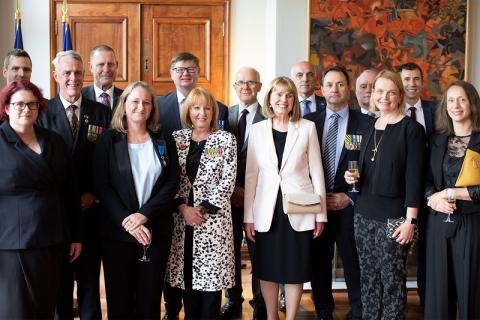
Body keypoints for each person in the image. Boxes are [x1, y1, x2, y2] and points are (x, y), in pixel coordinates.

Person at [93, 81, 179, 318]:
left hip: (155, 231)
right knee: (119, 299)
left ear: (152, 108)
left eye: (146, 102)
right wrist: (128, 221)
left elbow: (172, 182)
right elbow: (102, 185)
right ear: (124, 105)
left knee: (149, 300)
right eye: (135, 101)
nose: (140, 106)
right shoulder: (108, 140)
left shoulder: (163, 140)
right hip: (117, 234)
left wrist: (144, 215)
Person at [345, 70, 426, 319]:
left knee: (391, 279)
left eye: (391, 92)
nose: (384, 97)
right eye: (379, 91)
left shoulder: (412, 129)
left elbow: (415, 180)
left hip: (394, 218)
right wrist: (351, 179)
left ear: (400, 95)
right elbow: (359, 165)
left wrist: (410, 221)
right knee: (368, 277)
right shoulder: (367, 126)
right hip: (363, 214)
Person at [244, 76, 327, 320]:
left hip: (299, 209)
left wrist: (320, 215)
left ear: (294, 100)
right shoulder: (257, 129)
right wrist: (249, 217)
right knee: (267, 268)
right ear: (269, 98)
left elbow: (317, 173)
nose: (283, 99)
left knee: (295, 268)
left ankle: (290, 317)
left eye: (289, 95)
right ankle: (271, 316)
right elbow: (251, 176)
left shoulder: (307, 128)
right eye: (278, 94)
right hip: (265, 210)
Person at [37, 50, 111, 320]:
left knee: (90, 281)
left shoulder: (101, 113)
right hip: (56, 215)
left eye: (78, 72)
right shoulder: (42, 113)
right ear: (56, 76)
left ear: (85, 74)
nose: (73, 78)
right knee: (60, 285)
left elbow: (108, 161)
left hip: (91, 212)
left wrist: (94, 193)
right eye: (66, 73)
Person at [158, 51, 230, 320]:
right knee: (183, 276)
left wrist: (201, 210)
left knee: (210, 284)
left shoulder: (225, 139)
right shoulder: (178, 138)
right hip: (180, 219)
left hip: (211, 221)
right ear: (189, 111)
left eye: (207, 108)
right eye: (196, 108)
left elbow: (227, 179)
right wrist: (183, 208)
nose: (202, 112)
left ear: (214, 111)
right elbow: (171, 176)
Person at [0, 80, 81, 318]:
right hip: (12, 241)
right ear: (6, 108)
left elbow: (70, 191)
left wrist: (75, 235)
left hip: (52, 237)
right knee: (16, 310)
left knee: (45, 307)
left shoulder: (54, 140)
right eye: (19, 104)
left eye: (32, 104)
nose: (26, 109)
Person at [305, 65, 372, 320]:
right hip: (317, 207)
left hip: (349, 206)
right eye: (330, 85)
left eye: (340, 84)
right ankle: (324, 312)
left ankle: (358, 312)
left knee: (354, 263)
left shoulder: (366, 124)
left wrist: (350, 196)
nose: (335, 89)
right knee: (318, 264)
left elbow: (372, 169)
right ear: (321, 89)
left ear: (348, 88)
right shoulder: (308, 123)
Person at [424, 80, 480, 319]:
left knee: (471, 289)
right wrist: (432, 199)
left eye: (462, 99)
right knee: (438, 290)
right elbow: (424, 180)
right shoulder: (437, 139)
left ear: (472, 104)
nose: (455, 105)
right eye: (450, 100)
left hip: (472, 222)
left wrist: (449, 193)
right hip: (438, 222)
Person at [221, 66, 266, 320]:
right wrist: (232, 190)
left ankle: (260, 302)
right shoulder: (223, 115)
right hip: (228, 198)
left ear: (259, 87)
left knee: (259, 252)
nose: (246, 87)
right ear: (234, 86)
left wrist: (248, 191)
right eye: (240, 83)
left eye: (251, 83)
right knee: (230, 252)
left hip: (258, 199)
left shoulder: (269, 116)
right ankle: (232, 300)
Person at [398, 61, 437, 306]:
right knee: (398, 250)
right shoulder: (391, 110)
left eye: (416, 79)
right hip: (401, 192)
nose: (412, 84)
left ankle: (426, 299)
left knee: (427, 250)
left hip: (431, 190)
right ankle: (397, 301)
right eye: (406, 79)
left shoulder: (437, 110)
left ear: (422, 82)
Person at [81, 44, 123, 111]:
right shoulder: (79, 96)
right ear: (91, 67)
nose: (106, 70)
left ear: (116, 65)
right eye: (101, 64)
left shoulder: (126, 97)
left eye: (110, 64)